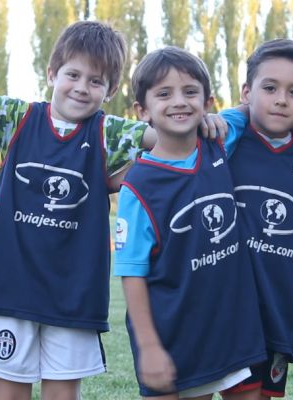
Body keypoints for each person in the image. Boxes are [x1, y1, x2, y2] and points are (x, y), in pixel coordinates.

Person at [0, 21, 225, 400]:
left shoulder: (110, 134)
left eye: (96, 81)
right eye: (73, 74)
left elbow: (171, 140)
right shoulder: (18, 118)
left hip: (75, 296)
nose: (82, 87)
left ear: (111, 89)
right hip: (11, 292)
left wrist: (204, 122)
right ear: (52, 73)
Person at [114, 46, 267, 399]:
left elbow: (257, 108)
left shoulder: (218, 142)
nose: (179, 102)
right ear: (143, 110)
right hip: (172, 336)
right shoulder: (138, 186)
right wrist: (149, 347)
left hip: (231, 328)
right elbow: (132, 273)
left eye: (190, 92)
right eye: (164, 94)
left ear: (207, 101)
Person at [219, 39, 293, 399]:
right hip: (231, 308)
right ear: (247, 92)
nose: (281, 99)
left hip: (281, 307)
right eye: (270, 88)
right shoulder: (227, 140)